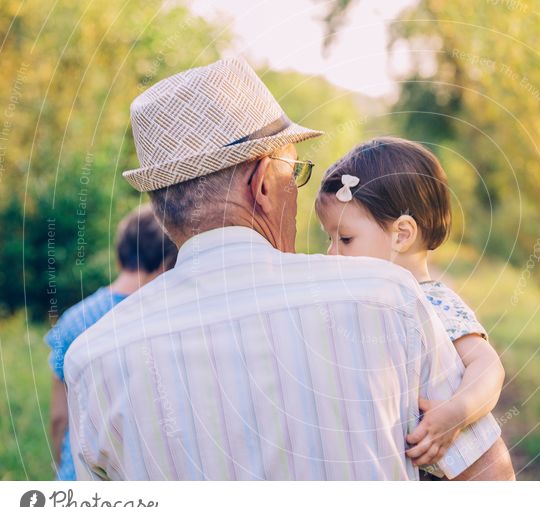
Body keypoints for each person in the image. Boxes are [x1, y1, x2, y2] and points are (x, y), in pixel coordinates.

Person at [64, 56, 514, 480]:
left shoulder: (92, 361)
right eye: (294, 174)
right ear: (261, 183)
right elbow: (489, 480)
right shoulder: (387, 297)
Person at [315, 137, 505, 476]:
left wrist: (456, 412)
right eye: (329, 239)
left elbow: (487, 365)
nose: (332, 252)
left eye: (345, 239)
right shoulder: (361, 308)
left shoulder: (431, 302)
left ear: (401, 235)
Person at [46, 204, 177, 480]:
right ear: (168, 263)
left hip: (80, 475)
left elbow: (59, 416)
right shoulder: (166, 318)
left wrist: (61, 466)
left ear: (120, 256)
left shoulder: (73, 320)